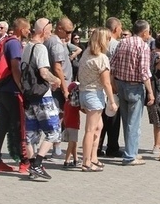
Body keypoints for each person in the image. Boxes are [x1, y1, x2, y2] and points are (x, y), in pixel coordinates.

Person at [21, 18, 62, 180]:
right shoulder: (40, 48)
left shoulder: (26, 47)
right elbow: (44, 72)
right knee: (54, 132)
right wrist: (56, 80)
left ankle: (32, 165)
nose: (50, 33)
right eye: (49, 30)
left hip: (29, 96)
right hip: (43, 96)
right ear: (42, 31)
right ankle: (37, 164)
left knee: (31, 133)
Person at [110, 20, 154, 166]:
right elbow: (144, 72)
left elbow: (113, 65)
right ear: (144, 32)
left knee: (126, 120)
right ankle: (130, 156)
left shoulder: (123, 42)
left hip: (121, 84)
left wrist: (113, 84)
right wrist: (150, 92)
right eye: (148, 31)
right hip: (135, 87)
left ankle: (132, 151)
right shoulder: (143, 46)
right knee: (134, 123)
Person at [0, 18, 29, 173]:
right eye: (27, 28)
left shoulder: (6, 41)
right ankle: (24, 161)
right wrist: (22, 88)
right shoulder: (14, 43)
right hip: (13, 90)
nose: (29, 31)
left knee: (2, 124)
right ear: (20, 29)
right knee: (18, 125)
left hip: (3, 89)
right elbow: (15, 67)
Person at [78, 27, 118, 172]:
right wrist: (112, 101)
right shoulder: (102, 58)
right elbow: (106, 82)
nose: (109, 41)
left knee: (98, 127)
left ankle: (94, 157)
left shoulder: (86, 53)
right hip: (95, 94)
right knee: (90, 130)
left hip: (84, 92)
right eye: (108, 39)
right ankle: (86, 162)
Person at [44, 17, 74, 158]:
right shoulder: (55, 43)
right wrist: (65, 88)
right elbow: (57, 68)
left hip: (58, 86)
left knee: (58, 116)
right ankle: (55, 148)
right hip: (59, 87)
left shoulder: (54, 41)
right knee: (58, 116)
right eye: (67, 31)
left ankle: (55, 146)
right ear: (60, 28)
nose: (69, 35)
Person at [98, 17, 123, 158]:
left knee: (100, 118)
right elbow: (113, 69)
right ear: (115, 29)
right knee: (112, 118)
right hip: (110, 85)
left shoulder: (97, 42)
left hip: (99, 85)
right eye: (120, 28)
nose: (121, 31)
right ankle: (112, 147)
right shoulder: (115, 45)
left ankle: (98, 146)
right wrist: (114, 87)